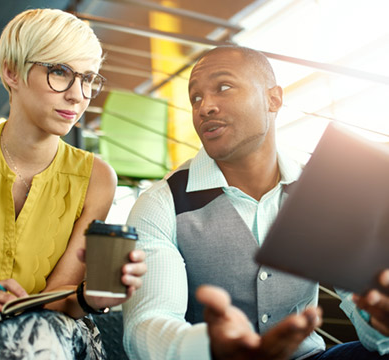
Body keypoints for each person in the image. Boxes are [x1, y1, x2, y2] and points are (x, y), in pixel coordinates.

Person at [123, 45, 389, 359]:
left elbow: (361, 298)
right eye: (195, 97)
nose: (205, 106)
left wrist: (380, 321)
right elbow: (147, 320)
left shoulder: (322, 193)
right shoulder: (160, 203)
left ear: (273, 98)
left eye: (223, 88)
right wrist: (209, 347)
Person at [0, 8, 146, 360]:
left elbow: (61, 295)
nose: (78, 95)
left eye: (88, 78)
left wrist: (94, 296)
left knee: (37, 336)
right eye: (59, 72)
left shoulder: (97, 177)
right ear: (11, 72)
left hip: (51, 330)